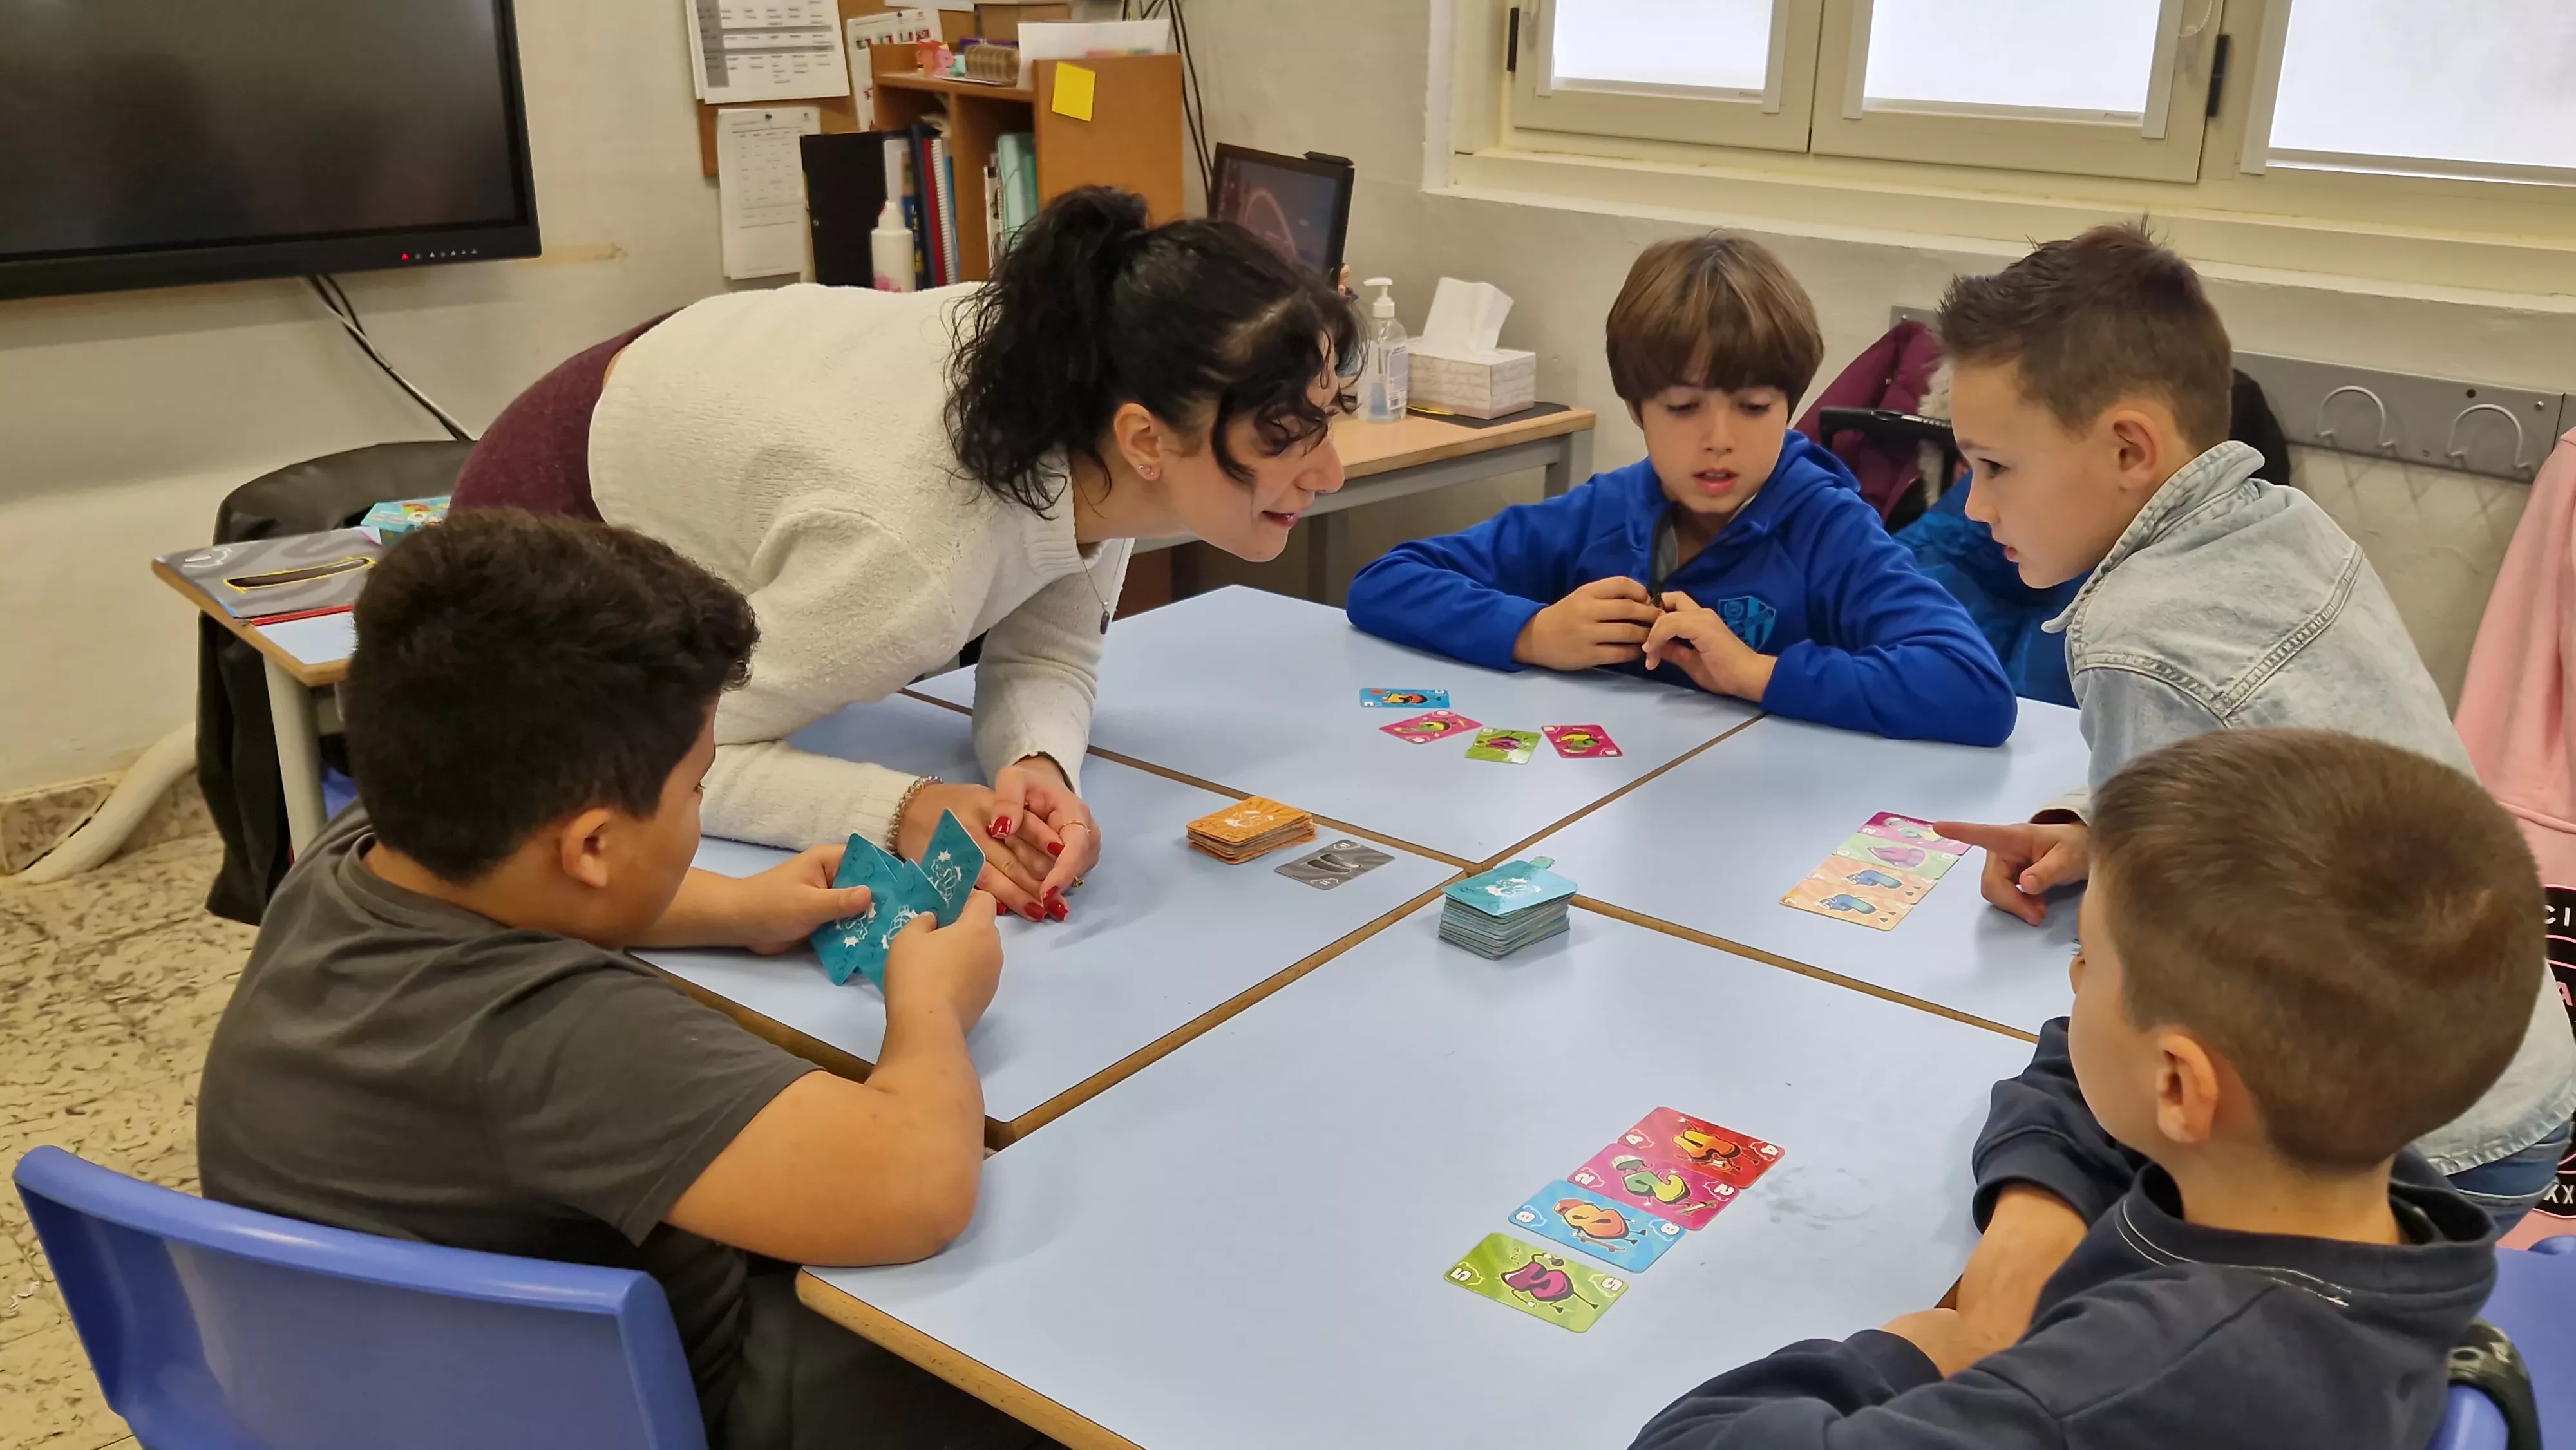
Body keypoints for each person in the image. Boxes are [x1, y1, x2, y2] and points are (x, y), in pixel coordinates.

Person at [197, 512, 1041, 1450]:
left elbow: (540, 890)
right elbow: (914, 1191)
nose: (694, 811)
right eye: (694, 790)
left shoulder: (360, 853)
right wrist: (932, 1005)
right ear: (594, 845)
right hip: (651, 1410)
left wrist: (735, 909)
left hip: (391, 1379)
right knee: (1021, 1344)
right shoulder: (552, 1033)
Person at [451, 187, 1359, 924]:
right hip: (559, 504)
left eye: (1331, 415)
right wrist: (906, 811)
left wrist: (1036, 766)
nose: (1331, 472)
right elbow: (674, 759)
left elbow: (1047, 646)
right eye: (1286, 436)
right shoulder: (915, 559)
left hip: (711, 405)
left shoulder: (1093, 404)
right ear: (1146, 438)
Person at [1930, 223, 2576, 1236]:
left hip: (2421, 1145)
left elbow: (2164, 990)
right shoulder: (2280, 523)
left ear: (2130, 449)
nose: (1973, 506)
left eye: (1995, 466)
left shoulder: (2134, 633)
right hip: (2522, 1073)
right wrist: (2102, 829)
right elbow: (2277, 762)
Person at [1631, 729, 2537, 1449]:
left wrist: (1911, 1355)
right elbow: (2086, 1063)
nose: (2068, 985)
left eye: (2090, 962)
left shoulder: (2134, 1380)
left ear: (2181, 1085)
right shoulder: (2354, 1163)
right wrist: (2038, 1203)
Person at [1345, 234, 2014, 747]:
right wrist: (1533, 630)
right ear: (1637, 409)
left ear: (1790, 407)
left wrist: (1755, 673)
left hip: (1769, 820)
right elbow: (1384, 583)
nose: (1718, 439)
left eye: (1753, 408)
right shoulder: (1605, 511)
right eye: (1683, 408)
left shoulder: (1827, 530)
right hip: (1615, 810)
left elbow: (1974, 691)